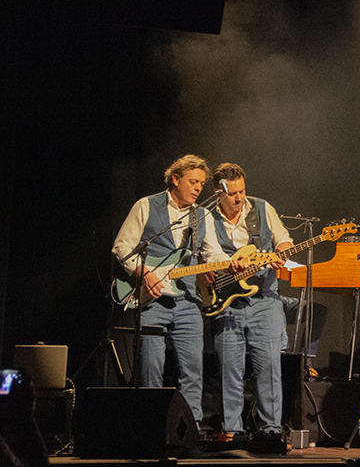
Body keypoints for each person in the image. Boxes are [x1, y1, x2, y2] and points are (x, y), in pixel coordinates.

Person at [111, 154, 233, 426]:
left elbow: (212, 253)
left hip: (187, 301)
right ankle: (151, 427)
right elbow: (122, 247)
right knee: (150, 371)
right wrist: (144, 272)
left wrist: (230, 263)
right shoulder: (146, 205)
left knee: (192, 372)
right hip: (151, 300)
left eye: (201, 183)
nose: (198, 188)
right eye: (193, 181)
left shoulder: (201, 215)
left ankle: (190, 429)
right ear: (175, 179)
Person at [209, 163, 293, 454]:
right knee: (228, 369)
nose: (239, 198)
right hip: (226, 301)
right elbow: (205, 252)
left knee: (269, 367)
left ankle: (271, 432)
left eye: (242, 191)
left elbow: (284, 239)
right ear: (218, 193)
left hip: (264, 299)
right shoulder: (207, 217)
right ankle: (232, 432)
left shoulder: (262, 208)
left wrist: (282, 251)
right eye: (232, 193)